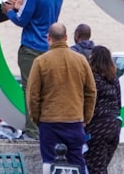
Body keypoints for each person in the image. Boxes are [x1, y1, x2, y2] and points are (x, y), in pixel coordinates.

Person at [0, 0, 63, 139]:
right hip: (49, 47)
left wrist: (8, 11)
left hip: (31, 48)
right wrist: (22, 5)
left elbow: (21, 20)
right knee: (48, 91)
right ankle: (46, 129)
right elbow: (41, 12)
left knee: (30, 91)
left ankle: (32, 131)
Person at [27, 23, 96, 174]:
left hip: (49, 121)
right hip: (74, 120)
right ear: (66, 37)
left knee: (49, 162)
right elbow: (91, 92)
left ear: (48, 38)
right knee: (77, 160)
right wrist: (86, 118)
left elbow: (33, 95)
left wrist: (37, 118)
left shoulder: (40, 61)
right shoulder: (81, 61)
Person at [84, 45, 121, 174]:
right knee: (102, 166)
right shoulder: (114, 79)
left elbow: (88, 102)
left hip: (98, 126)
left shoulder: (93, 79)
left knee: (95, 168)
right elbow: (118, 104)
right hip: (114, 126)